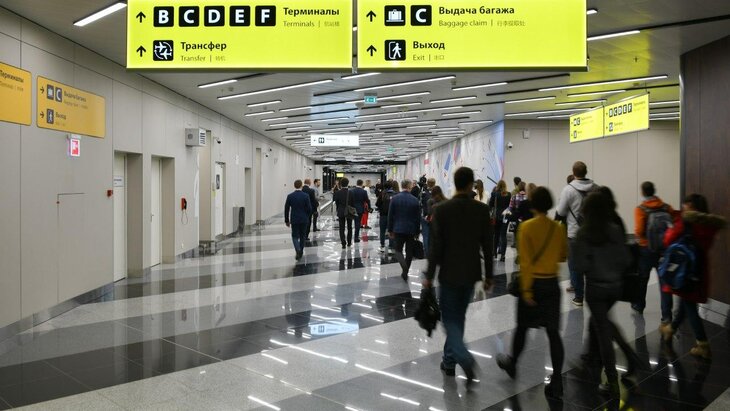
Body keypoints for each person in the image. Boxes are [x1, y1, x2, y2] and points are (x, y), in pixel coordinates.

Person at [424, 167, 493, 385]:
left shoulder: (442, 210)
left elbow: (436, 246)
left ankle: (463, 358)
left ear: (454, 183)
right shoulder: (481, 210)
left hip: (449, 273)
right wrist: (489, 276)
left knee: (449, 320)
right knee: (459, 318)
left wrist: (429, 275)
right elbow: (488, 246)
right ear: (471, 184)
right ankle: (449, 361)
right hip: (471, 273)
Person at [497, 186, 567, 399]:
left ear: (533, 205)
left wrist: (526, 291)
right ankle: (557, 379)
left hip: (533, 284)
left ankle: (512, 363)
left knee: (522, 328)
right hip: (552, 285)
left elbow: (526, 263)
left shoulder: (526, 228)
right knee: (553, 333)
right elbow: (563, 256)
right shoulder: (558, 228)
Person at [573, 192, 631, 397]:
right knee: (603, 325)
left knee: (603, 332)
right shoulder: (614, 229)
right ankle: (616, 359)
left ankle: (612, 380)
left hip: (596, 289)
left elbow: (579, 266)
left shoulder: (584, 233)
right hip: (615, 288)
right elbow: (626, 260)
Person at [659, 194, 726, 359]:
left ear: (691, 206)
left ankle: (703, 344)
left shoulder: (686, 222)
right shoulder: (710, 225)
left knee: (689, 306)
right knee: (687, 301)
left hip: (684, 269)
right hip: (699, 269)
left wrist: (675, 226)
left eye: (686, 205)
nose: (683, 207)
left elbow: (668, 239)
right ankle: (671, 329)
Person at [556, 161, 598, 307]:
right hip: (593, 232)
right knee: (592, 264)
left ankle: (579, 297)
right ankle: (594, 295)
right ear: (586, 171)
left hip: (575, 233)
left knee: (575, 265)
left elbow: (561, 212)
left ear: (573, 173)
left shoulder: (568, 189)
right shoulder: (596, 188)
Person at [633, 181, 675, 319]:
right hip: (664, 249)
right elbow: (674, 224)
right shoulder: (667, 207)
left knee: (642, 278)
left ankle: (639, 305)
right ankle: (667, 315)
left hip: (646, 249)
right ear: (654, 191)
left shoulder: (640, 209)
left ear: (642, 192)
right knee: (664, 282)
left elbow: (639, 230)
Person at [388, 179, 421, 281]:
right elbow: (418, 218)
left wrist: (390, 229)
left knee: (398, 250)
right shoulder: (415, 200)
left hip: (398, 229)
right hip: (411, 229)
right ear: (410, 186)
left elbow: (390, 215)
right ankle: (406, 271)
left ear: (402, 186)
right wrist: (417, 231)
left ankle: (404, 268)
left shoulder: (395, 199)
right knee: (409, 251)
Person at [284, 180, 312, 261]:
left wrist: (287, 220)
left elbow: (286, 209)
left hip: (294, 219)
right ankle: (301, 251)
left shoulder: (290, 196)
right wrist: (307, 216)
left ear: (294, 186)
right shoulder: (306, 196)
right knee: (303, 235)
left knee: (294, 236)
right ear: (301, 186)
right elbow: (309, 208)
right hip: (304, 219)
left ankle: (298, 250)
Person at [489, 180, 512, 262]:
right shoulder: (509, 194)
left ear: (498, 185)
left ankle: (494, 253)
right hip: (505, 217)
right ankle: (503, 255)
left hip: (496, 217)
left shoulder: (494, 194)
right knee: (503, 235)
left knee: (496, 235)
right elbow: (510, 206)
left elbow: (490, 205)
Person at [333, 178, 355, 249]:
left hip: (341, 211)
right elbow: (353, 203)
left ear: (341, 184)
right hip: (349, 211)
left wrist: (338, 209)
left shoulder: (338, 192)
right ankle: (349, 242)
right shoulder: (351, 192)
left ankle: (343, 243)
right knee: (349, 227)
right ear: (348, 183)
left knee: (341, 227)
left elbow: (336, 202)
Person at [376, 181, 396, 253]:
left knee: (382, 231)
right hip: (392, 215)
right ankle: (391, 245)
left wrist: (381, 208)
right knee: (391, 230)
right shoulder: (395, 194)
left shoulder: (382, 193)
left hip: (383, 215)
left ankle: (382, 245)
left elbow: (377, 204)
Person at [420, 178, 436, 253]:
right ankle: (433, 251)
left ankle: (427, 252)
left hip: (425, 216)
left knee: (426, 235)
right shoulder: (437, 193)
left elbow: (420, 203)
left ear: (427, 183)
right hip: (435, 217)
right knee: (433, 235)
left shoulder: (423, 192)